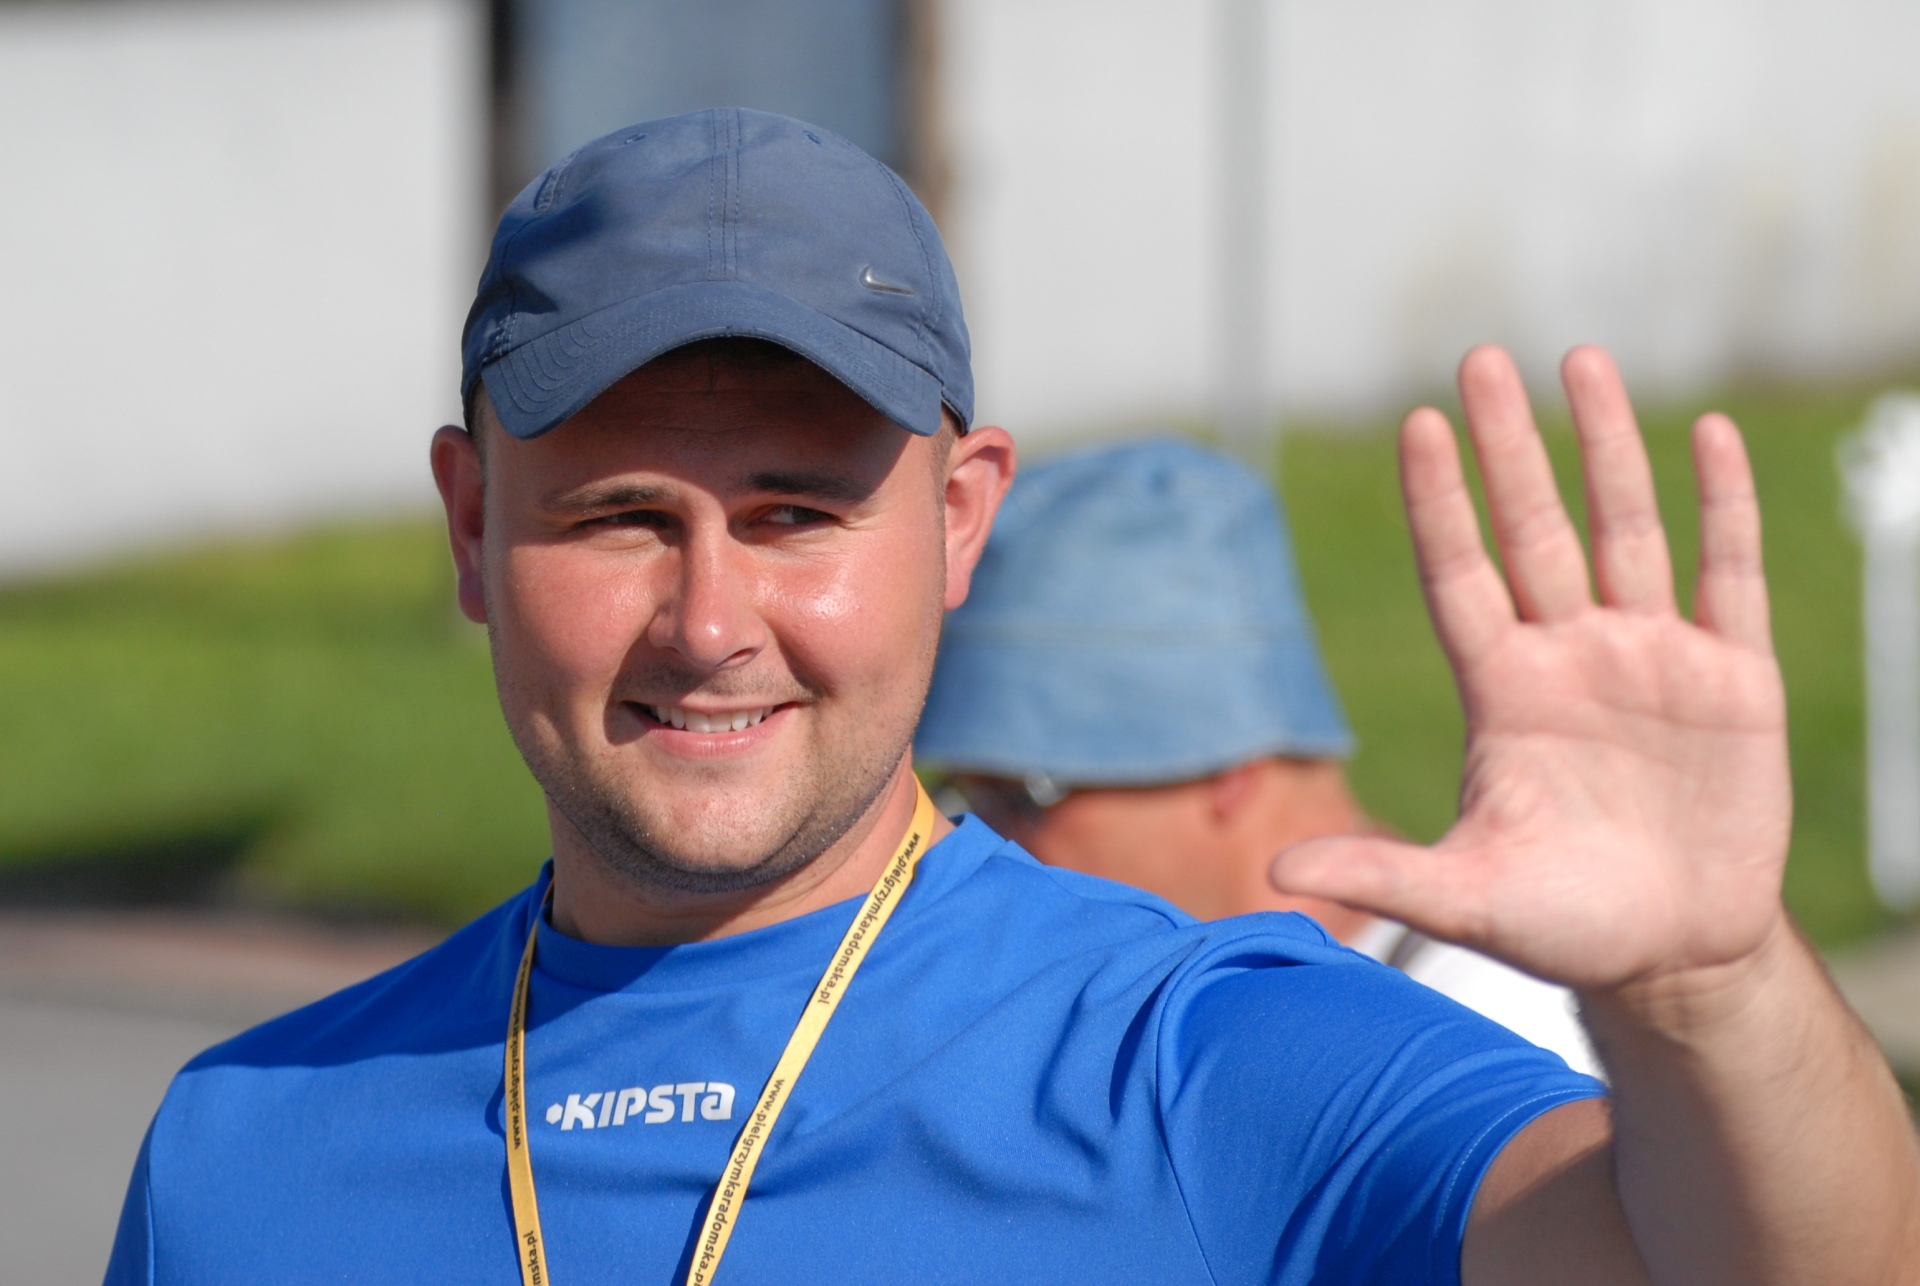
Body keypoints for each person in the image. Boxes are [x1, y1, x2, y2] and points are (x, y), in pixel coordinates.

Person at [106, 108, 1918, 1285]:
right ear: (470, 523)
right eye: (619, 517)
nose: (711, 621)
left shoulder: (1195, 1063)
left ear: (961, 520)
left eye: (798, 514)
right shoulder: (242, 1147)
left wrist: (1711, 989)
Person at [916, 438, 1600, 1075]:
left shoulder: (1492, 1023)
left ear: (1223, 764)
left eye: (1022, 796)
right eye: (959, 795)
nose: (979, 839)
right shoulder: (1137, 1016)